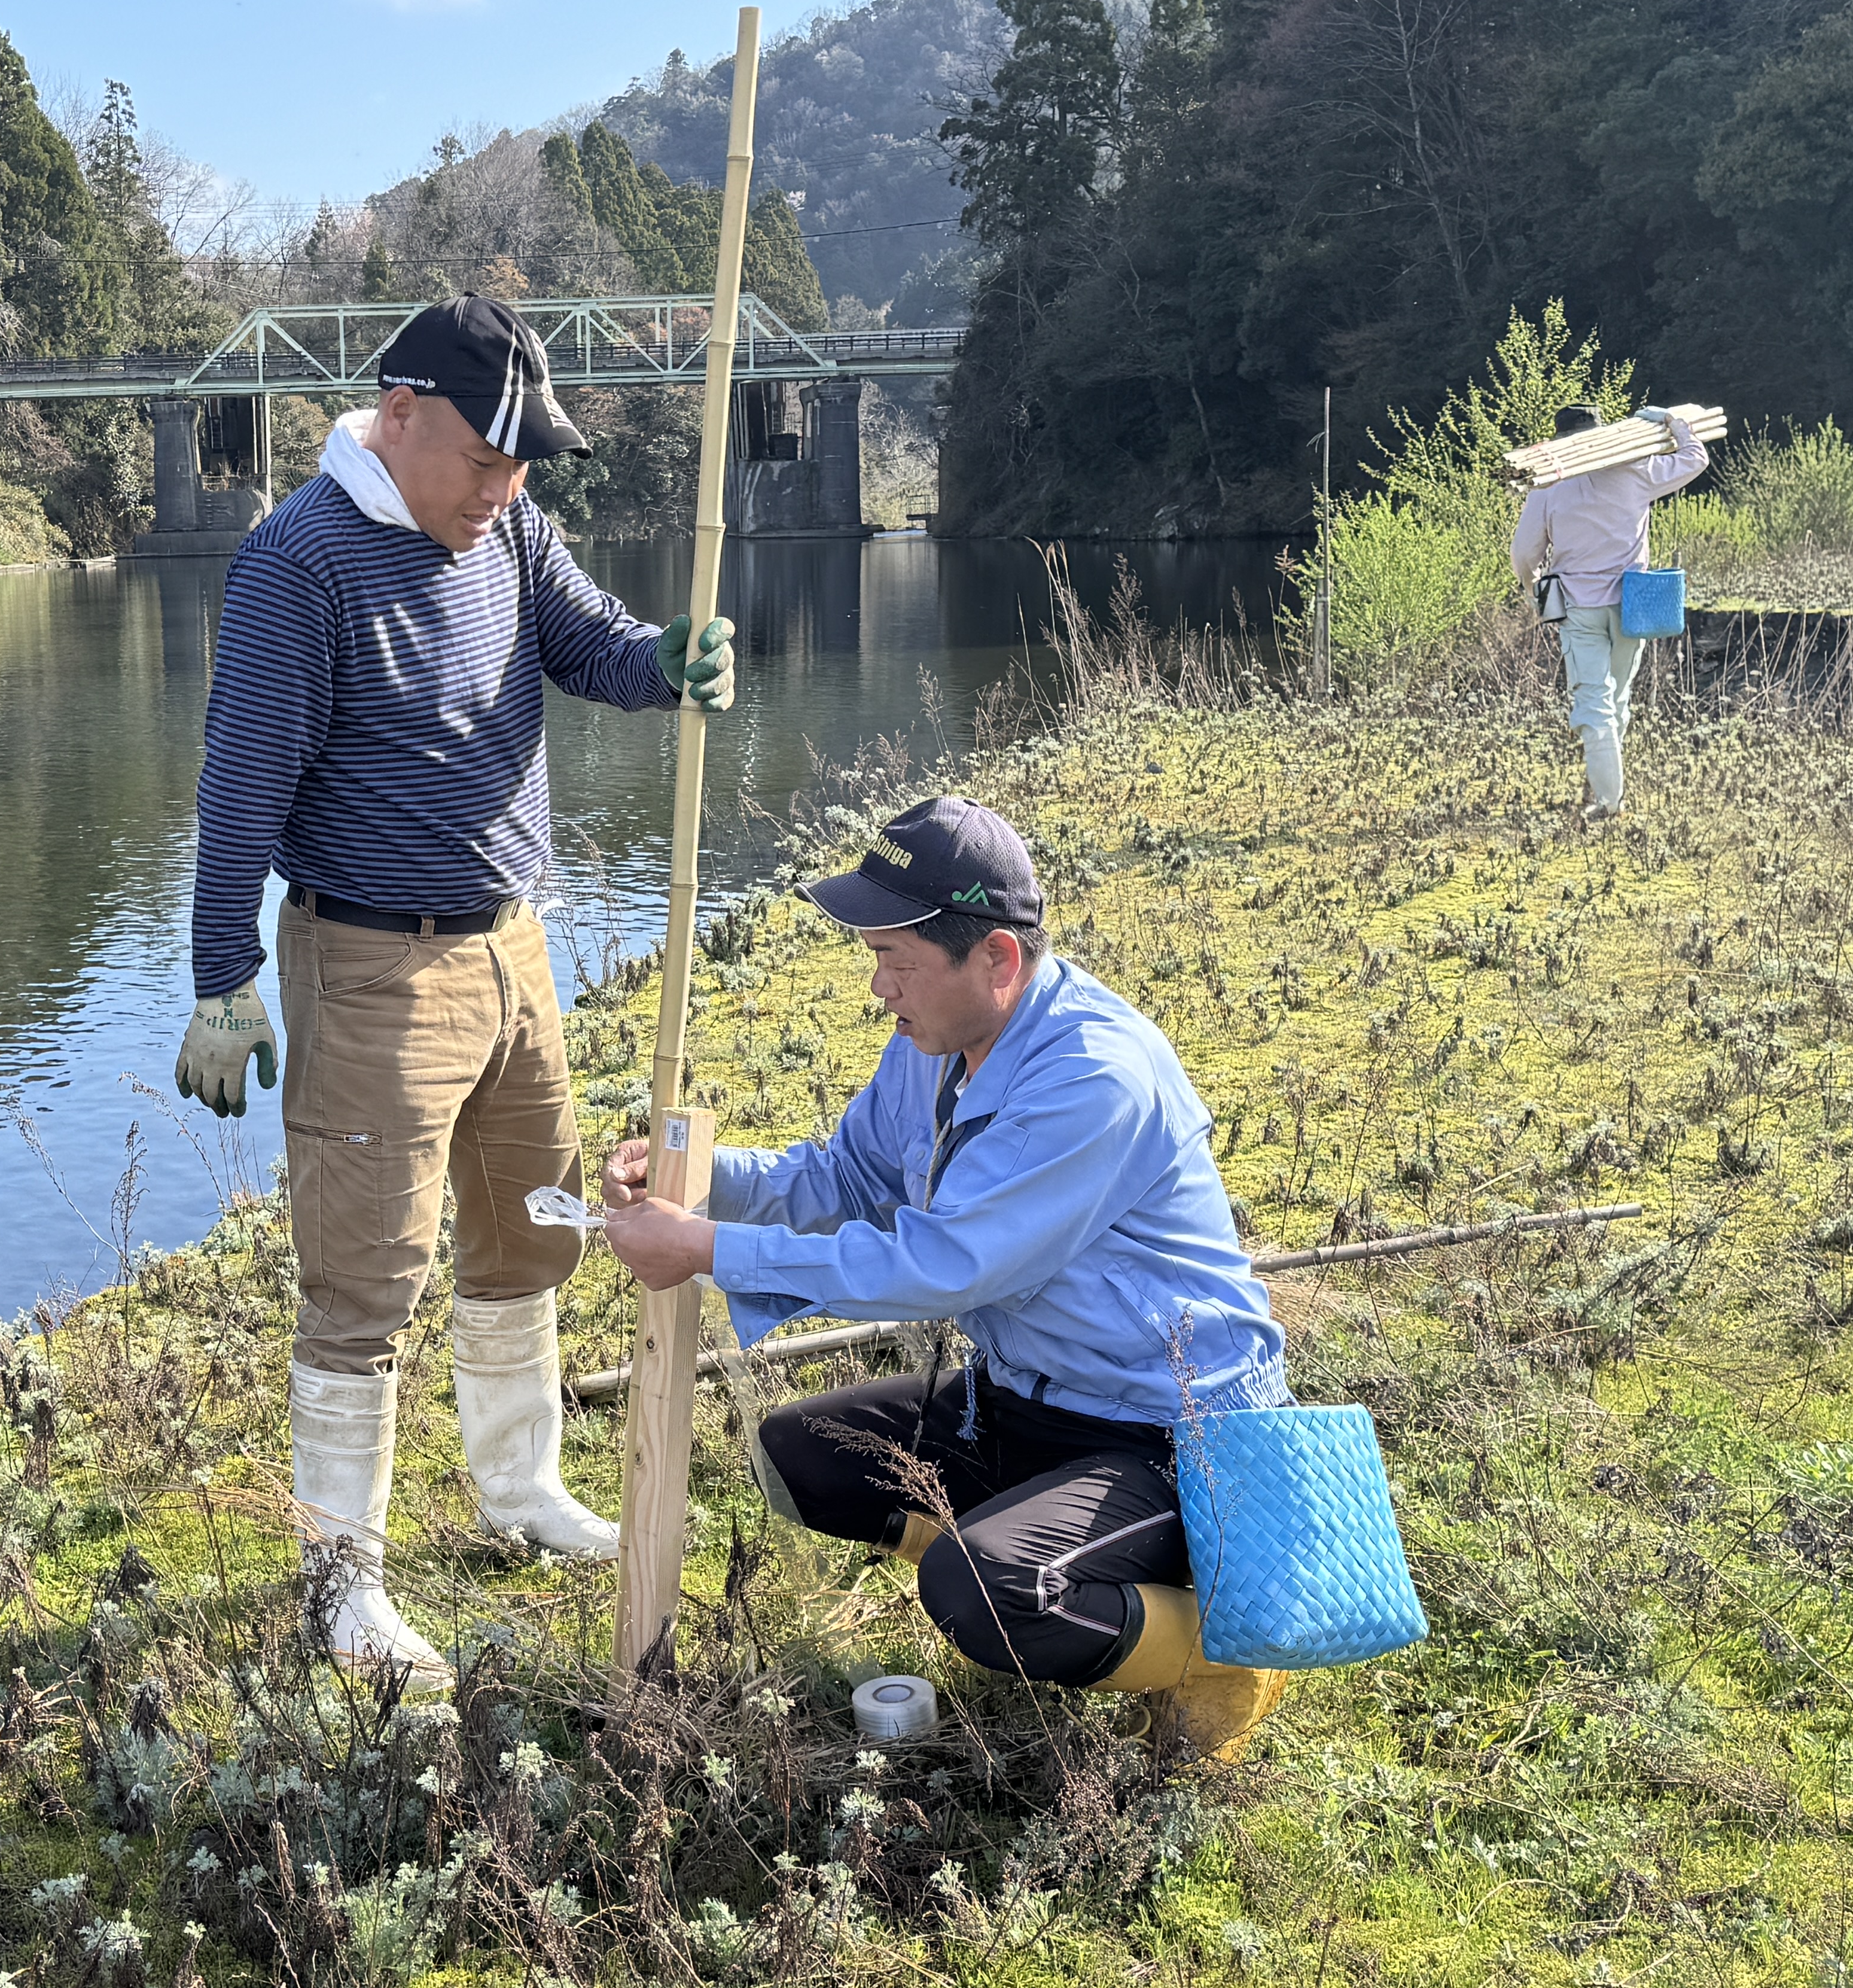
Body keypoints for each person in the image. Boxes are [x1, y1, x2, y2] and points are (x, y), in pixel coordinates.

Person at [174, 293, 737, 1678]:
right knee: (365, 1274)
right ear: (401, 412)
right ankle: (342, 1582)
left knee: (528, 1229)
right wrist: (221, 976)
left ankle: (519, 1490)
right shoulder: (297, 562)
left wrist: (665, 664)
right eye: (486, 461)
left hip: (512, 949)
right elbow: (240, 782)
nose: (506, 489)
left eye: (522, 465)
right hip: (370, 961)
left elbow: (594, 646)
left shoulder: (512, 533)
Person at [596, 796, 1297, 1762]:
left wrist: (706, 1246)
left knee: (983, 1593)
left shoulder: (1093, 1077)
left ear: (996, 961)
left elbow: (938, 1262)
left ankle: (1220, 1655)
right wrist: (699, 1181)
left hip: (1170, 1436)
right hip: (1020, 1400)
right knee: (800, 1456)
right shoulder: (934, 1043)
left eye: (897, 959)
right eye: (874, 955)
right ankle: (1038, 1575)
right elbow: (843, 1177)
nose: (879, 985)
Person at [1510, 402, 1708, 817]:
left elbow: (1525, 555)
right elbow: (1695, 458)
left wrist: (1534, 593)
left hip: (1577, 608)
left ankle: (1607, 803)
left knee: (1594, 702)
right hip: (1633, 605)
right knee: (1616, 699)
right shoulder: (1637, 472)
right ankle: (1603, 787)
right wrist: (1675, 423)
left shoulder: (1548, 486)